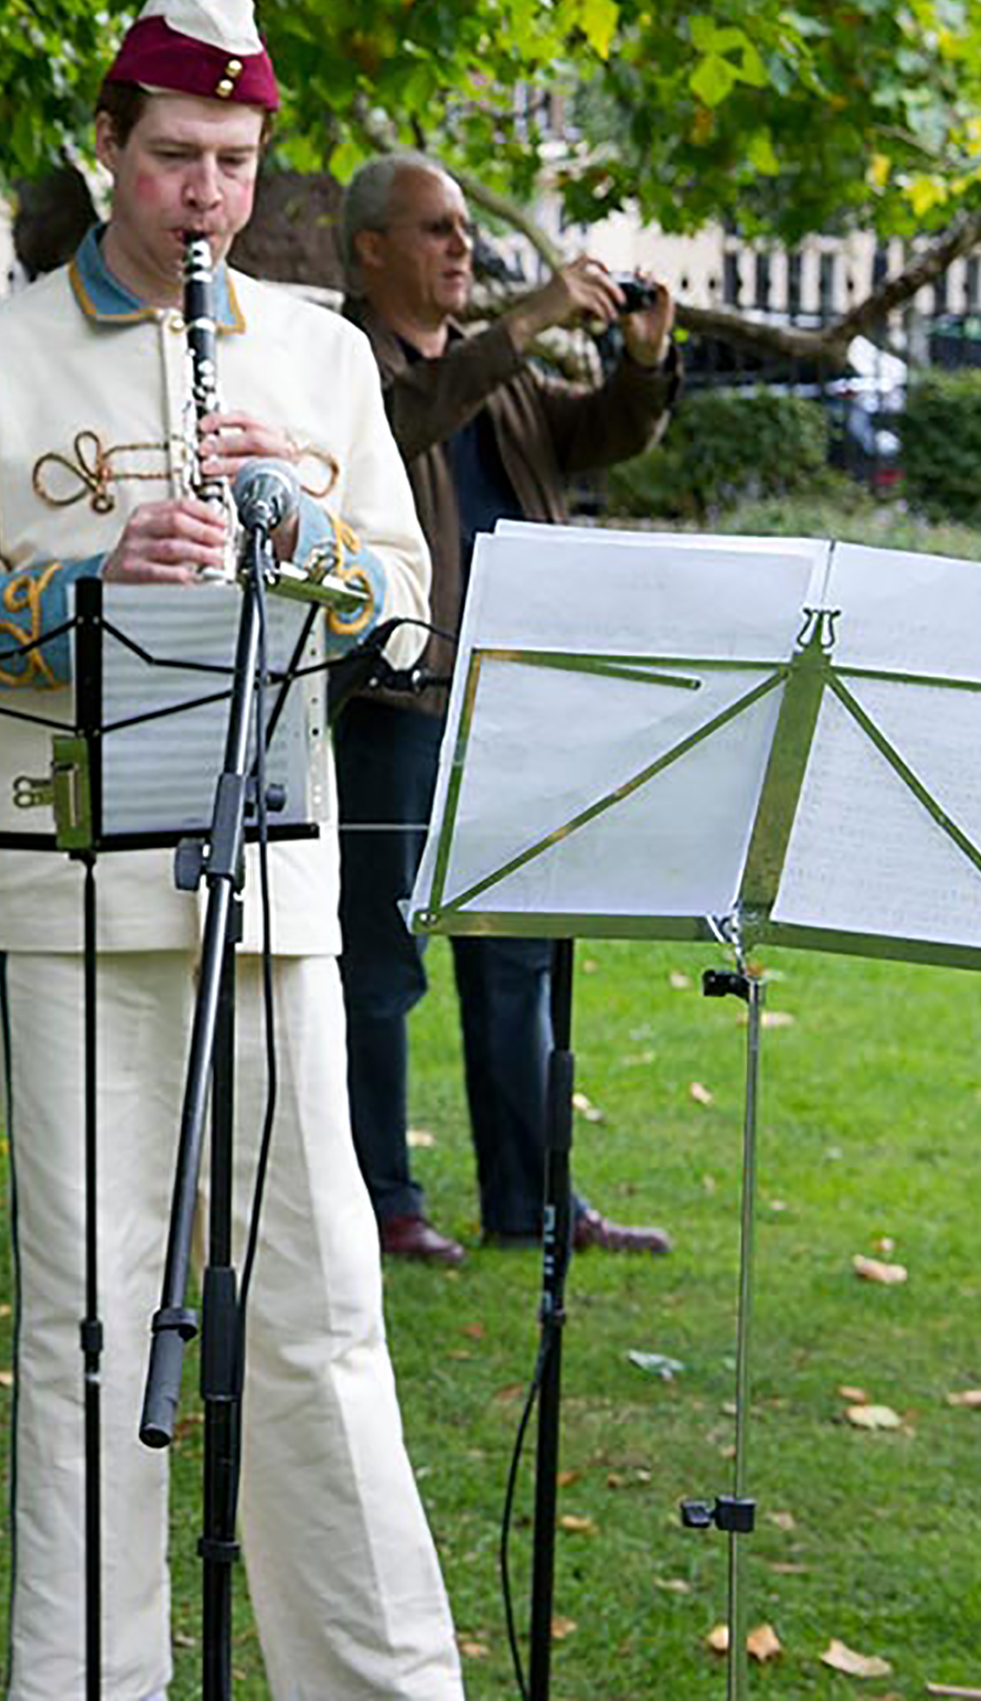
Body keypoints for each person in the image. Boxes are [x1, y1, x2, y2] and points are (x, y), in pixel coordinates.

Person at [0, 0, 459, 1700]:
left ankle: (376, 1683)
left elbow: (406, 617)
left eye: (234, 160)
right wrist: (82, 589)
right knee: (86, 1319)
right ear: (110, 151)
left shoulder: (323, 356)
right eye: (174, 159)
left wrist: (299, 528)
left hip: (274, 886)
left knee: (319, 1311)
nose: (206, 194)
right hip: (60, 888)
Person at [332, 151, 680, 1267]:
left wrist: (642, 363)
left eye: (462, 230)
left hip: (517, 703)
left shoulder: (500, 369)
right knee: (380, 968)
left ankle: (533, 1204)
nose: (459, 245)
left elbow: (597, 440)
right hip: (396, 700)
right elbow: (396, 428)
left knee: (516, 959)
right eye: (434, 229)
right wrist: (523, 322)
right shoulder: (343, 363)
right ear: (372, 248)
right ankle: (382, 1202)